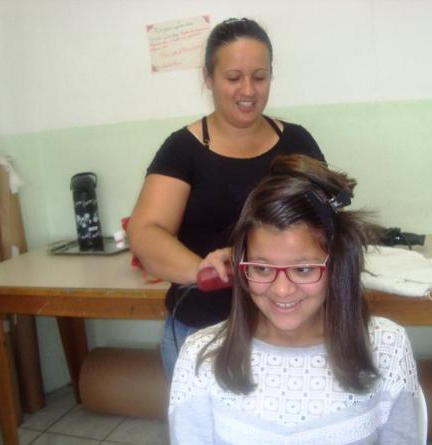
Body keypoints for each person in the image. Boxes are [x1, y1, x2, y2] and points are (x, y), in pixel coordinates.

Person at [168, 154, 422, 444]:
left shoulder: (387, 347)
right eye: (262, 268)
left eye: (303, 269)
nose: (281, 290)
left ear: (337, 264)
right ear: (241, 266)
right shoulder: (201, 358)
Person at [127, 18, 325, 379]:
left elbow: (327, 226)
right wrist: (200, 269)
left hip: (291, 328)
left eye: (260, 76)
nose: (247, 90)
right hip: (205, 332)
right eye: (233, 77)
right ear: (208, 77)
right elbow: (145, 232)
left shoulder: (298, 143)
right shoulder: (182, 151)